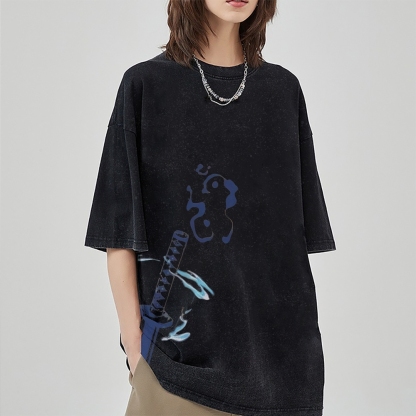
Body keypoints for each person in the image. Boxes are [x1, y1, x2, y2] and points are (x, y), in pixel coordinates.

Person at [84, 0, 337, 415]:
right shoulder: (145, 86)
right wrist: (136, 349)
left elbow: (287, 248)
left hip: (284, 378)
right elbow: (119, 233)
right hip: (176, 374)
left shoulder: (283, 92)